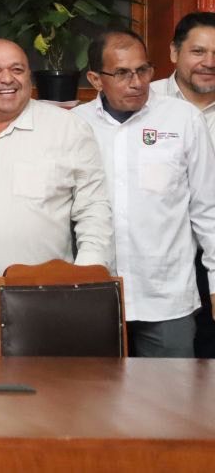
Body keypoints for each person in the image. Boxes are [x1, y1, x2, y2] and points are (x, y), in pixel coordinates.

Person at [73, 30, 215, 357]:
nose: (137, 82)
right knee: (91, 388)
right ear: (95, 79)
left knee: (172, 388)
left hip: (167, 296)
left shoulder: (183, 119)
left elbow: (208, 208)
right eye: (122, 73)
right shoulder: (76, 125)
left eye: (143, 70)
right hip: (94, 294)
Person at [0, 39, 112, 273]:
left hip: (42, 289)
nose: (7, 79)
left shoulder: (68, 129)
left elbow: (94, 209)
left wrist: (87, 273)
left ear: (29, 76)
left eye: (17, 69)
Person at [152, 11, 215, 356]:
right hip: (158, 258)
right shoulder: (143, 101)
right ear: (174, 52)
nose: (209, 63)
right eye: (198, 51)